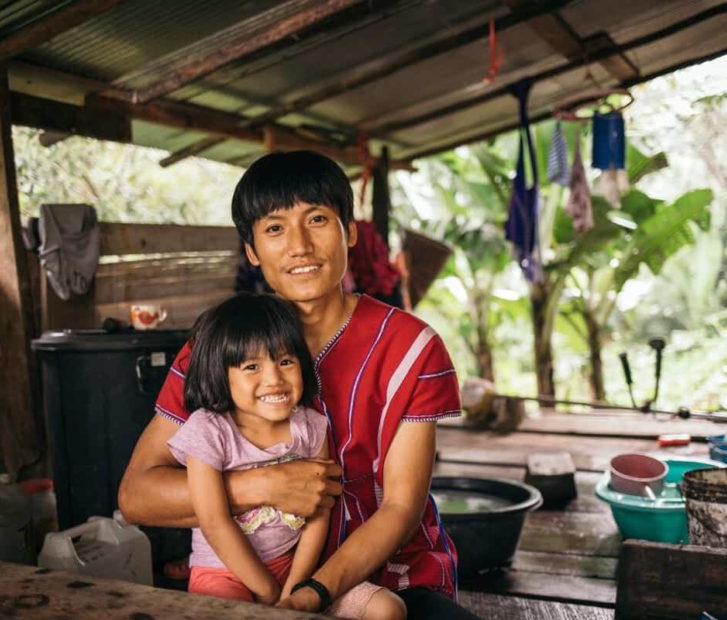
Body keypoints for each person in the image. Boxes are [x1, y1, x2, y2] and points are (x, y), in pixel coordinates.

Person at [119, 150, 478, 618]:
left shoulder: (412, 348)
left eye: (317, 219)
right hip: (256, 576)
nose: (300, 246)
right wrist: (264, 484)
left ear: (349, 231)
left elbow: (401, 507)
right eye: (274, 228)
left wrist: (312, 594)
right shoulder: (217, 347)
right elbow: (136, 496)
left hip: (391, 582)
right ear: (251, 250)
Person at [168, 293, 403, 618]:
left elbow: (319, 514)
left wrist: (296, 589)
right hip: (222, 572)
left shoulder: (310, 427)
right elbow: (213, 521)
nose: (274, 379)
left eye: (285, 361)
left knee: (388, 608)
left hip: (292, 569)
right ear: (221, 374)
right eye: (252, 366)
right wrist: (266, 590)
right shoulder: (208, 431)